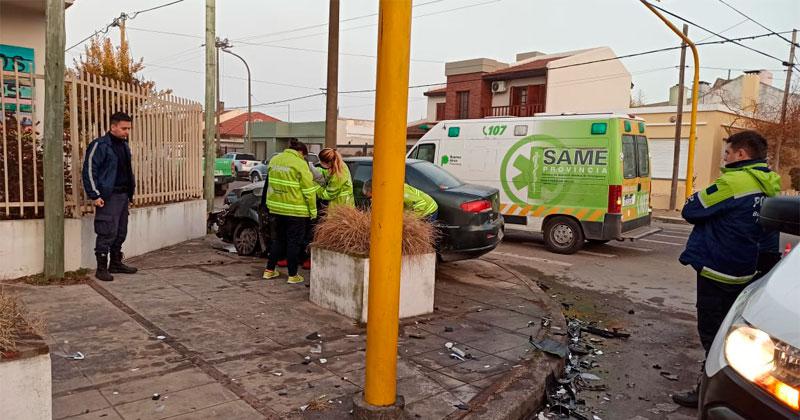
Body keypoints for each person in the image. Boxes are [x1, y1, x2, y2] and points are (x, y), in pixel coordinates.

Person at [672, 130, 781, 408]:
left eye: (728, 153)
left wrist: (694, 196)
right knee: (730, 331)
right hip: (744, 270)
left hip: (717, 269)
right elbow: (769, 232)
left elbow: (692, 210)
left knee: (712, 334)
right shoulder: (769, 184)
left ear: (741, 154)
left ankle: (708, 391)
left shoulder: (733, 182)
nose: (726, 158)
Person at [81, 112, 138, 282]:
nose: (127, 131)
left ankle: (115, 263)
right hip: (108, 196)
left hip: (123, 195)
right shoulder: (100, 145)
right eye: (124, 128)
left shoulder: (124, 146)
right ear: (113, 127)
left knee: (120, 232)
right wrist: (95, 195)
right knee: (106, 231)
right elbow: (89, 170)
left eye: (128, 128)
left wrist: (129, 194)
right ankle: (101, 268)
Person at [262, 140, 319, 284]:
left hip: (276, 209)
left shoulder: (275, 160)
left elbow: (269, 184)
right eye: (304, 156)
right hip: (296, 211)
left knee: (278, 240)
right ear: (301, 152)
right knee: (293, 242)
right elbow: (309, 191)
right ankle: (293, 275)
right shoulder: (300, 164)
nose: (304, 159)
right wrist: (313, 212)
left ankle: (269, 270)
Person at [362, 180, 438, 220]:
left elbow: (421, 203)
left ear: (375, 191)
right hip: (418, 209)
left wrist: (411, 219)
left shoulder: (399, 191)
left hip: (429, 210)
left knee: (422, 239)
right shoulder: (385, 194)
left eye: (370, 197)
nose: (371, 200)